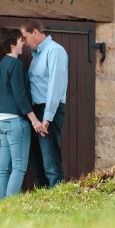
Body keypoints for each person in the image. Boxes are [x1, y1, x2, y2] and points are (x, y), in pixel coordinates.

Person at [0, 28, 46, 198]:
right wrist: (34, 120)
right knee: (18, 167)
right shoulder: (16, 64)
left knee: (4, 169)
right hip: (15, 121)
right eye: (20, 40)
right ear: (12, 44)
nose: (23, 43)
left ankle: (0, 209)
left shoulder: (2, 64)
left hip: (1, 120)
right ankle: (9, 209)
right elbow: (20, 95)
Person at [20, 18, 68, 188]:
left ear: (35, 32)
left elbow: (55, 86)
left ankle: (58, 198)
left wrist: (47, 117)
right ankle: (44, 199)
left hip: (48, 112)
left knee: (50, 162)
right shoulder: (36, 55)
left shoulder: (54, 51)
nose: (24, 43)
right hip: (35, 113)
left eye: (25, 37)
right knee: (37, 162)